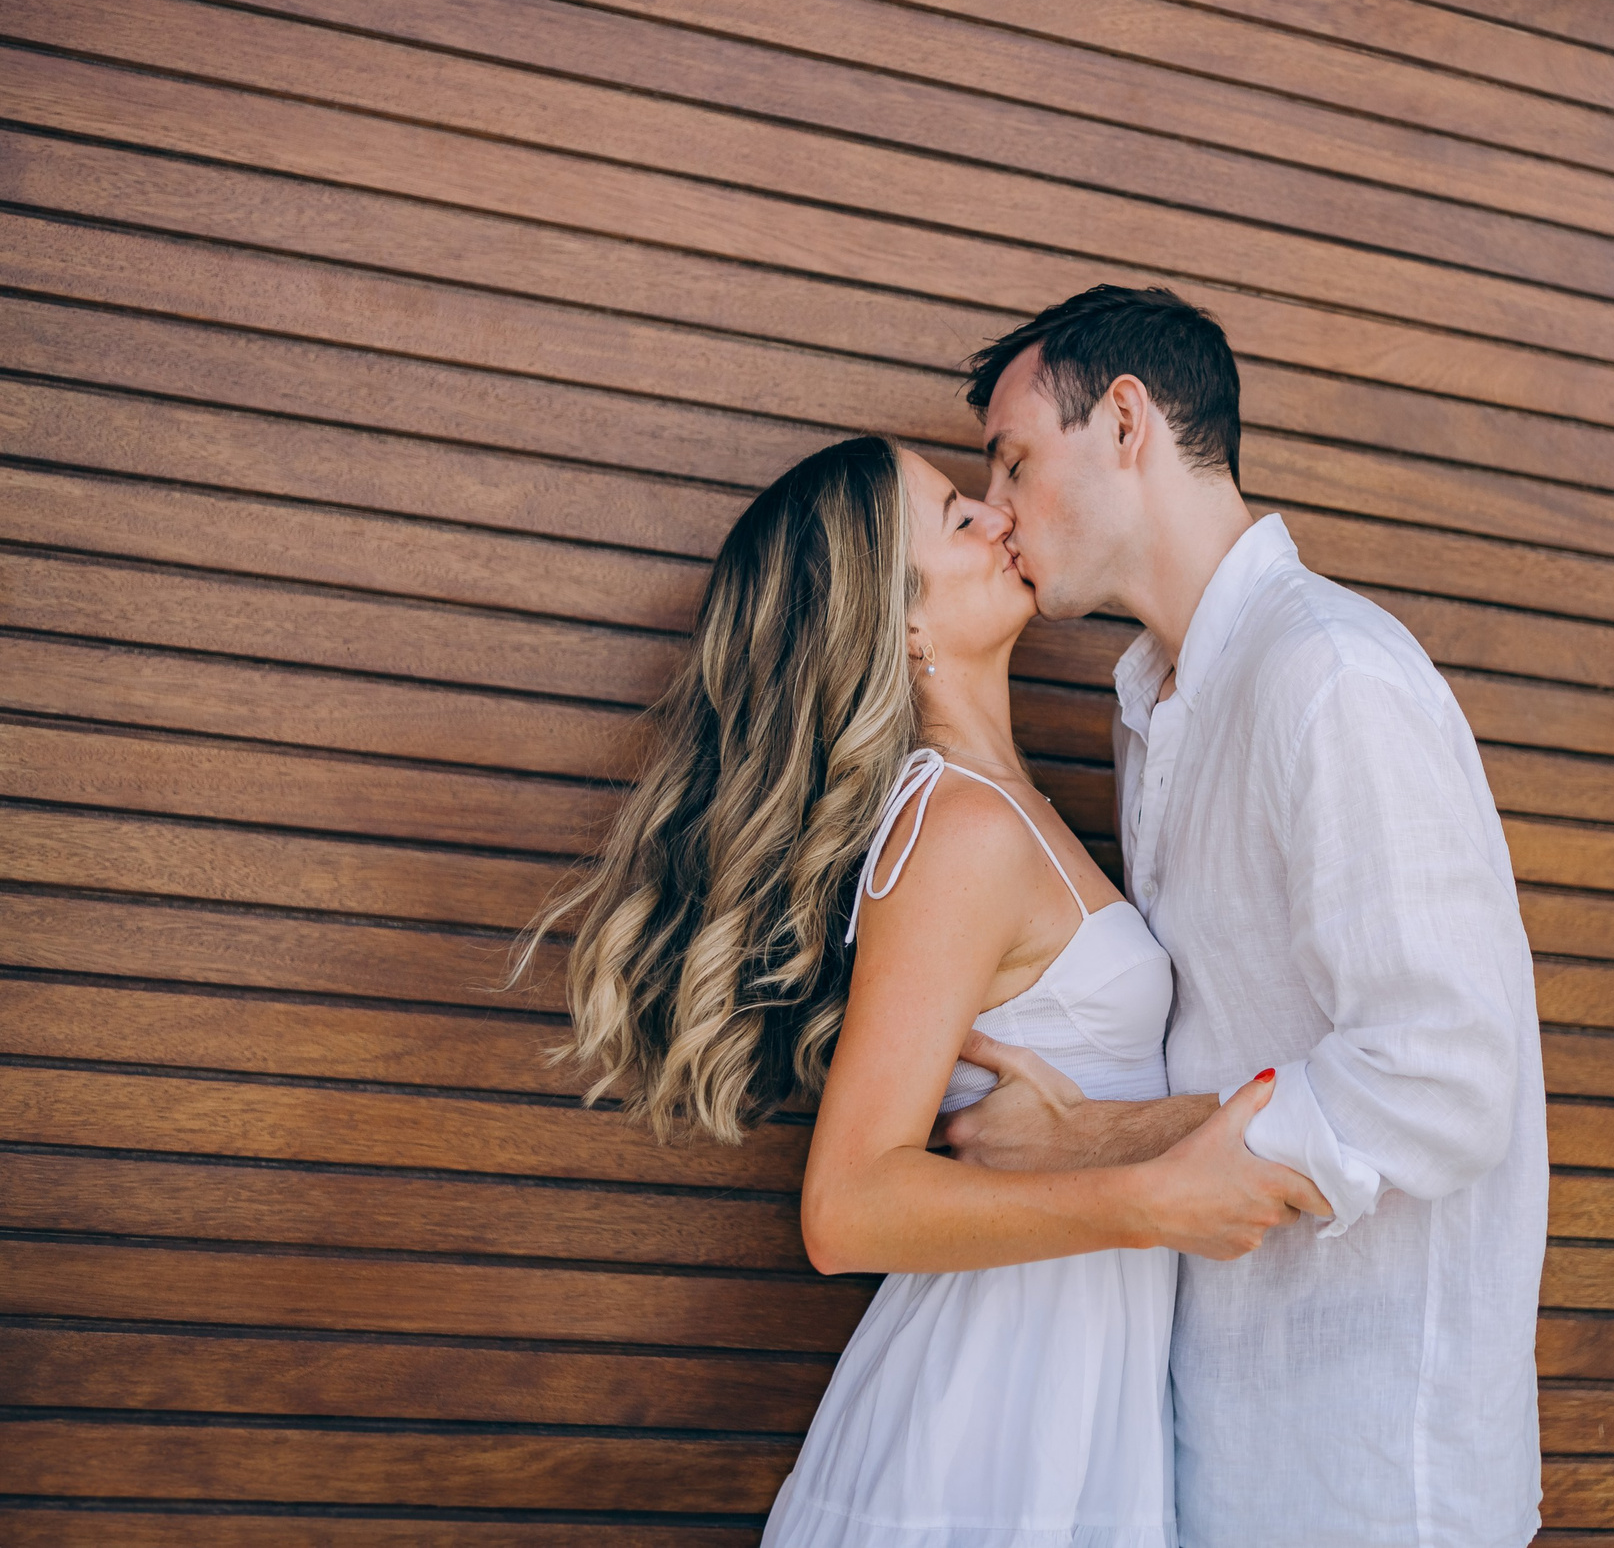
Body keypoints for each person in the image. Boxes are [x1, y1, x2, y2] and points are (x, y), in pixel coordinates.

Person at [517, 433, 1320, 1548]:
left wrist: (1095, 1142)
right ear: (894, 621)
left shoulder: (1004, 808)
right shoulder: (957, 828)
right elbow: (845, 1211)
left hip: (1069, 1381)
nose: (999, 516)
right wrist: (1142, 1196)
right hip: (993, 1407)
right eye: (958, 517)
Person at [950, 286, 1548, 1548]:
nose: (994, 510)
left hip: (1373, 1472)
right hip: (1214, 1437)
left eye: (1012, 459)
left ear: (1125, 422)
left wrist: (1092, 1141)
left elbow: (1442, 1078)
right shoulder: (1155, 705)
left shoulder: (1327, 675)